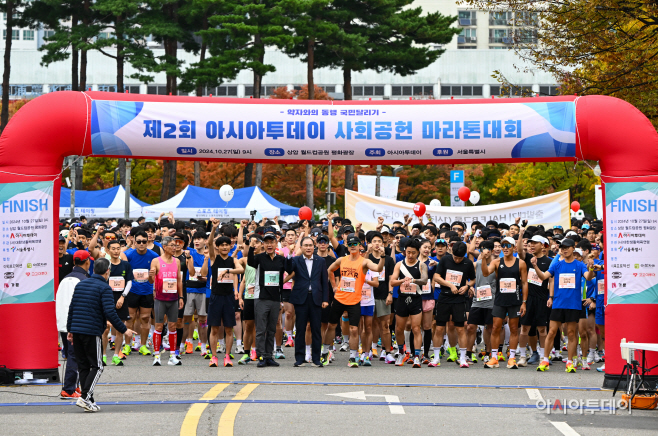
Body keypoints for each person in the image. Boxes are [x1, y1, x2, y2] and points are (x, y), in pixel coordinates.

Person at [66, 258, 136, 412]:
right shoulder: (104, 288)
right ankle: (85, 397)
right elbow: (110, 312)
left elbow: (72, 308)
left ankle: (88, 399)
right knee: (97, 366)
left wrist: (70, 329)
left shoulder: (81, 284)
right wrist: (125, 330)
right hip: (91, 331)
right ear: (107, 272)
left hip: (77, 330)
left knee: (84, 366)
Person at [533, 238, 596, 373]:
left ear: (573, 248)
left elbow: (588, 277)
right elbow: (544, 277)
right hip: (558, 304)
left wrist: (590, 269)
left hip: (573, 305)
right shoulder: (557, 265)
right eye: (562, 247)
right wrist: (535, 267)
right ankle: (545, 359)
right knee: (552, 332)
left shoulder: (579, 265)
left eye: (567, 247)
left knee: (572, 334)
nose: (565, 249)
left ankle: (569, 361)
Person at [323, 234, 385, 368]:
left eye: (355, 244)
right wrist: (334, 286)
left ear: (359, 246)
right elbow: (330, 270)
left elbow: (378, 269)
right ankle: (324, 352)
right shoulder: (341, 260)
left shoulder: (364, 262)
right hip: (339, 298)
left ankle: (352, 357)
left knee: (354, 329)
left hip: (355, 300)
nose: (352, 246)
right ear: (347, 246)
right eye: (350, 244)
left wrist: (383, 257)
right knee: (331, 326)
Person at [480, 236, 528, 369]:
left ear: (513, 247)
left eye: (508, 246)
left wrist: (524, 302)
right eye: (503, 246)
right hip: (500, 300)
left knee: (513, 329)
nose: (505, 248)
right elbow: (485, 273)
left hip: (515, 300)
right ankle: (494, 357)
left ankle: (512, 358)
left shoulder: (521, 263)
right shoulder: (496, 262)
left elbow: (524, 283)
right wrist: (483, 258)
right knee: (495, 327)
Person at [204, 220, 245, 367]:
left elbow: (241, 270)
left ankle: (227, 357)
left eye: (227, 245)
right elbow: (209, 244)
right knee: (214, 328)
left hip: (229, 298)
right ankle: (214, 357)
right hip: (215, 297)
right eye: (221, 245)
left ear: (230, 246)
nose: (224, 247)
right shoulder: (214, 259)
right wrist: (214, 228)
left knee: (229, 329)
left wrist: (228, 271)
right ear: (218, 247)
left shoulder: (233, 260)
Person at [285, 236, 330, 367]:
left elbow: (324, 281)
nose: (308, 248)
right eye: (306, 245)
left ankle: (316, 359)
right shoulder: (296, 259)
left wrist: (325, 299)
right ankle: (300, 358)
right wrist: (289, 254)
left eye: (310, 245)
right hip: (301, 298)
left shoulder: (320, 261)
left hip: (316, 298)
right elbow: (288, 269)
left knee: (316, 329)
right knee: (300, 329)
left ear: (314, 246)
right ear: (302, 247)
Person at [430, 242, 475, 368]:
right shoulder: (445, 260)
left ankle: (462, 358)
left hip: (459, 299)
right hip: (444, 297)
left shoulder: (468, 263)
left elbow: (473, 278)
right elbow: (436, 277)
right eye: (455, 257)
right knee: (439, 328)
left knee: (460, 329)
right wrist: (450, 285)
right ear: (451, 251)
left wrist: (467, 286)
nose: (457, 260)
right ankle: (437, 357)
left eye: (460, 258)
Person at [248, 228, 286, 368]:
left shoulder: (281, 259)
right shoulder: (258, 258)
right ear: (263, 244)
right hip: (261, 297)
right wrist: (251, 246)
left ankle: (269, 356)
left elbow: (292, 269)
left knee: (271, 329)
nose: (269, 245)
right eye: (267, 242)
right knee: (260, 329)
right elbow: (250, 262)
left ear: (276, 244)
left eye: (272, 242)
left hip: (276, 298)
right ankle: (261, 356)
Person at [56, 251, 91, 399]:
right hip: (76, 323)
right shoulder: (83, 279)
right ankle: (69, 389)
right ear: (87, 262)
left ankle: (73, 386)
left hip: (63, 323)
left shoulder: (65, 278)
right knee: (75, 356)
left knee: (72, 355)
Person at [389, 239, 429, 368]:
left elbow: (424, 280)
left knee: (416, 328)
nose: (410, 255)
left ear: (418, 253)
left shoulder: (422, 265)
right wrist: (402, 281)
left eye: (413, 253)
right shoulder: (399, 265)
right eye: (408, 252)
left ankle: (416, 356)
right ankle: (401, 352)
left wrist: (412, 280)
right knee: (399, 328)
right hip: (402, 299)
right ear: (405, 251)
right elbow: (392, 282)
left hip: (416, 299)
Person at [148, 236, 185, 366]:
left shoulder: (177, 261)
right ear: (164, 247)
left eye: (175, 245)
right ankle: (157, 355)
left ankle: (172, 356)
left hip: (174, 298)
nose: (175, 248)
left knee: (173, 326)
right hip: (160, 298)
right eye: (172, 245)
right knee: (158, 326)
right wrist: (150, 276)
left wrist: (181, 297)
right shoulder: (156, 261)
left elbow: (179, 280)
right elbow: (151, 281)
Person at [122, 230, 159, 355]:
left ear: (147, 242)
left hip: (147, 291)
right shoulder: (128, 254)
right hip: (132, 290)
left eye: (144, 241)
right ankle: (127, 345)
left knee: (145, 318)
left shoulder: (153, 255)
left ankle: (143, 345)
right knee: (130, 318)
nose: (141, 244)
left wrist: (153, 285)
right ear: (134, 242)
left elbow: (156, 276)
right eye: (139, 241)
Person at [106, 240, 134, 366]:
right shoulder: (105, 264)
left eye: (118, 248)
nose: (116, 251)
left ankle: (116, 355)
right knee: (105, 328)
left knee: (119, 329)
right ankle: (103, 356)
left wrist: (123, 297)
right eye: (113, 248)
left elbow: (129, 282)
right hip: (107, 299)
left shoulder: (126, 265)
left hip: (121, 299)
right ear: (108, 250)